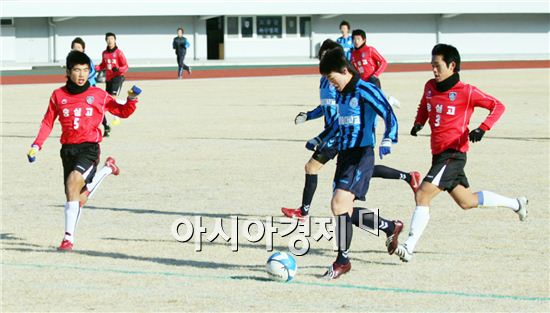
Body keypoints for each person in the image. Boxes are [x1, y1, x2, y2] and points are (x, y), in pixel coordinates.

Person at [394, 44, 528, 263]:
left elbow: (498, 106)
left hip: (454, 153)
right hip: (439, 155)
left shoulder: (467, 91)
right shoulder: (430, 86)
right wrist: (419, 122)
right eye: (432, 66)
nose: (434, 70)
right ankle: (517, 204)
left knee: (423, 194)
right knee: (467, 201)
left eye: (437, 66)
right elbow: (425, 105)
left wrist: (483, 128)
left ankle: (408, 247)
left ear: (452, 65)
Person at [282, 39, 420, 221]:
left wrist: (388, 135)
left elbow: (368, 105)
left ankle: (304, 212)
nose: (325, 61)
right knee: (348, 192)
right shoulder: (326, 82)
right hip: (335, 135)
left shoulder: (343, 83)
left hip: (341, 137)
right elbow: (326, 107)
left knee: (315, 171)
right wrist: (309, 117)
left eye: (328, 57)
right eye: (323, 57)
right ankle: (397, 205)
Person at [27, 51, 141, 251]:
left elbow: (121, 111)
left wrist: (131, 99)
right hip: (67, 150)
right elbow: (47, 122)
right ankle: (107, 170)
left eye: (85, 70)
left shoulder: (98, 95)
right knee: (77, 197)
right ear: (68, 71)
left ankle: (68, 239)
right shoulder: (58, 95)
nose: (81, 75)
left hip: (89, 149)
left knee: (73, 182)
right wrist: (37, 145)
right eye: (77, 70)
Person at [318, 47, 404, 279]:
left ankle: (342, 260)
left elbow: (387, 112)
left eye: (331, 78)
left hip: (361, 155)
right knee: (343, 209)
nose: (331, 83)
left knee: (338, 204)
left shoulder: (365, 88)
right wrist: (322, 139)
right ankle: (388, 227)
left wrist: (388, 138)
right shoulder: (342, 94)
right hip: (345, 155)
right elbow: (340, 124)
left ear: (344, 70)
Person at [350, 29, 400, 108]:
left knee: (377, 105)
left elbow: (383, 62)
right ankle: (388, 101)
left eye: (358, 39)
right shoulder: (353, 54)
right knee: (366, 105)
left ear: (364, 40)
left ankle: (390, 101)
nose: (356, 41)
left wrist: (375, 75)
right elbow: (354, 69)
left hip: (372, 80)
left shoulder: (370, 50)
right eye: (354, 39)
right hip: (362, 82)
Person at [95, 32, 129, 136]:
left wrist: (118, 69)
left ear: (115, 40)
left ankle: (117, 117)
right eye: (108, 39)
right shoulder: (104, 53)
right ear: (106, 40)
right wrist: (93, 68)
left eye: (112, 39)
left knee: (112, 98)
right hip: (108, 78)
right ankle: (124, 103)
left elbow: (126, 66)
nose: (110, 41)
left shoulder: (119, 53)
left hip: (118, 77)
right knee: (107, 99)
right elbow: (102, 65)